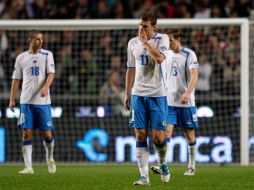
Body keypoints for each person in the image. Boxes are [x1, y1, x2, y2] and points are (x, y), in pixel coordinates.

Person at [124, 11, 170, 185]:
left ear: (154, 27)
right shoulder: (132, 43)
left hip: (158, 94)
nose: (141, 29)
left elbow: (159, 58)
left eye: (145, 26)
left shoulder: (162, 39)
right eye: (140, 25)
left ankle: (163, 163)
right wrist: (127, 92)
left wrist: (146, 43)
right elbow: (130, 68)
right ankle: (144, 176)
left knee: (159, 138)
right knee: (140, 134)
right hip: (138, 95)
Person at [151, 29, 199, 176]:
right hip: (169, 102)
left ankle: (191, 166)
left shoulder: (189, 54)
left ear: (178, 39)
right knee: (166, 132)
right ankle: (163, 165)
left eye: (171, 40)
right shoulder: (167, 54)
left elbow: (195, 76)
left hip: (186, 102)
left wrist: (187, 93)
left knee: (189, 133)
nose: (169, 43)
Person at [9, 31, 56, 174]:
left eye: (42, 39)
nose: (40, 42)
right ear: (30, 40)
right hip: (26, 102)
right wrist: (12, 99)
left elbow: (51, 74)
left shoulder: (47, 55)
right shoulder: (21, 58)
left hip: (43, 102)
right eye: (37, 39)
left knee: (47, 134)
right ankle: (29, 167)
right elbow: (16, 79)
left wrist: (46, 87)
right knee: (26, 133)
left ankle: (50, 157)